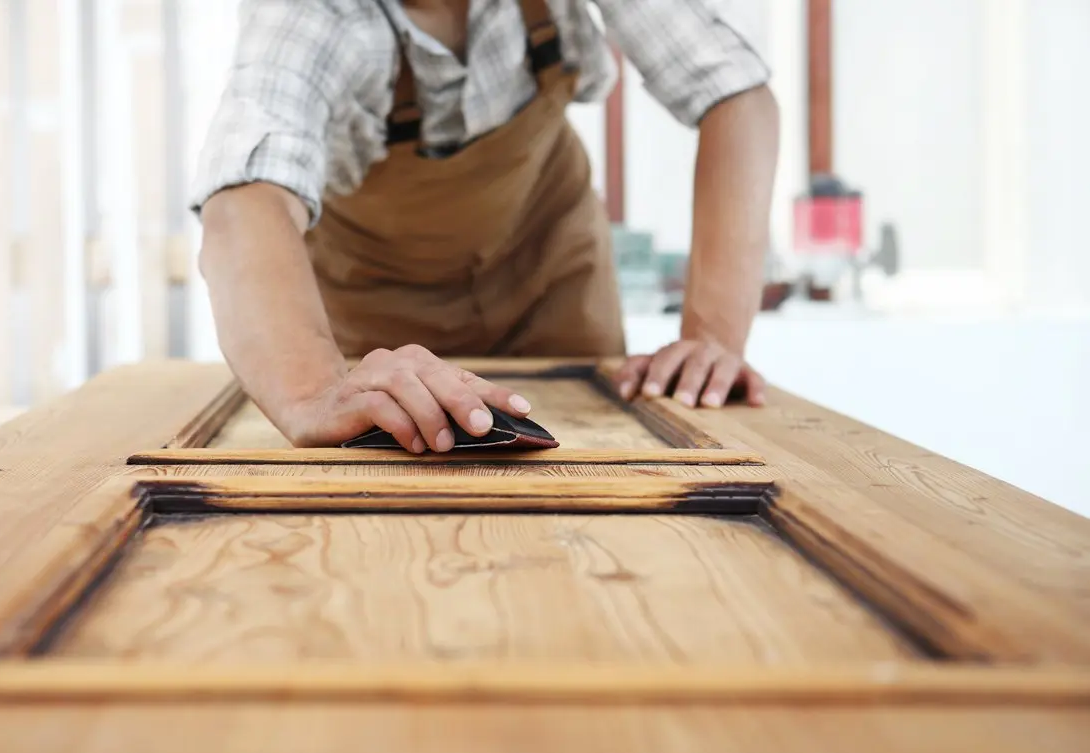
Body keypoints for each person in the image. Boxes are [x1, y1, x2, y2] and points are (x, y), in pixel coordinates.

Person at [191, 0, 779, 453]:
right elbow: (245, 201)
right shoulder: (311, 13)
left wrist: (713, 338)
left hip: (550, 271)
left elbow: (735, 97)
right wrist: (312, 393)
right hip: (372, 312)